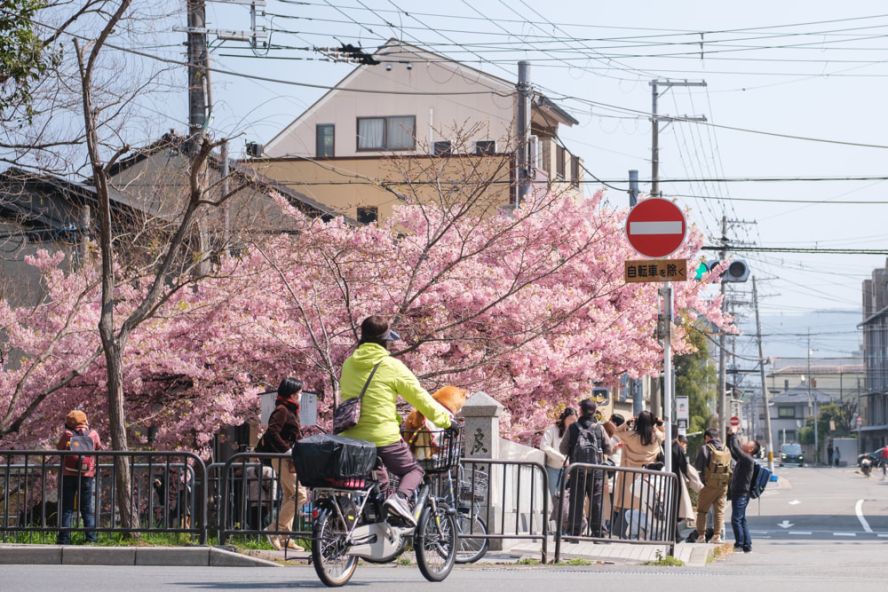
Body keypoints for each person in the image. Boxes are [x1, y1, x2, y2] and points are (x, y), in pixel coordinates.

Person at [339, 315, 452, 526]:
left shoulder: (348, 364)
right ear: (385, 341)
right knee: (413, 470)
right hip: (382, 437)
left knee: (380, 482)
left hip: (351, 438)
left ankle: (379, 525)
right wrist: (445, 420)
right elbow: (420, 398)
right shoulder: (391, 365)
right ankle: (400, 500)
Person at [255, 377, 306, 550]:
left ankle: (284, 538)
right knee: (300, 495)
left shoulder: (290, 410)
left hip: (288, 458)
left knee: (289, 495)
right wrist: (286, 449)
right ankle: (273, 529)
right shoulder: (282, 410)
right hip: (282, 457)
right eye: (299, 392)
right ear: (292, 394)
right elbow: (272, 433)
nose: (301, 395)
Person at [608, 411, 665, 538]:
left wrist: (626, 423)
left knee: (629, 504)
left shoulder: (630, 436)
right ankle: (646, 532)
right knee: (646, 504)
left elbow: (616, 432)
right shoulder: (656, 436)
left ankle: (626, 532)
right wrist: (658, 424)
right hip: (648, 475)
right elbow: (664, 433)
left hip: (631, 474)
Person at [559, 399, 611, 537]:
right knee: (596, 502)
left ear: (581, 411)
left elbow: (562, 449)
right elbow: (609, 448)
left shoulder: (573, 427)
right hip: (596, 470)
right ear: (594, 411)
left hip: (577, 469)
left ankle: (574, 532)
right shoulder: (599, 428)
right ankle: (599, 533)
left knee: (576, 501)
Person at [56, 410, 102, 545]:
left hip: (68, 475)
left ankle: (64, 539)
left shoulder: (67, 434)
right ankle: (91, 538)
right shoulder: (93, 434)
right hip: (87, 475)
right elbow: (98, 448)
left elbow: (59, 448)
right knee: (87, 508)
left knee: (67, 508)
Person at [688, 428, 732, 544]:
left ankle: (701, 536)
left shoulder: (705, 449)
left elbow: (698, 465)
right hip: (722, 485)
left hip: (708, 485)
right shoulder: (726, 449)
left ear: (707, 437)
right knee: (719, 511)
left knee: (702, 511)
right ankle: (717, 536)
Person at [727, 427, 760, 553]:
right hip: (740, 493)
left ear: (750, 449)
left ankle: (739, 544)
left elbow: (736, 449)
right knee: (741, 519)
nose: (745, 444)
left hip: (741, 493)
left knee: (736, 519)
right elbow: (733, 449)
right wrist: (730, 436)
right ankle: (747, 544)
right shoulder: (744, 459)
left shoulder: (747, 459)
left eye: (747, 444)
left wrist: (734, 434)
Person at [540, 407, 576, 499]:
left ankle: (558, 514)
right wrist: (561, 458)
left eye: (575, 420)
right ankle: (555, 513)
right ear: (564, 418)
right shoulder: (552, 430)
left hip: (567, 469)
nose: (573, 422)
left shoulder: (573, 432)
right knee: (554, 497)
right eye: (571, 419)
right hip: (553, 467)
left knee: (563, 498)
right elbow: (544, 446)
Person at [672, 434, 692, 542]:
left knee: (672, 508)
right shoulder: (677, 448)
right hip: (675, 481)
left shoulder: (666, 445)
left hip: (668, 480)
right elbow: (683, 465)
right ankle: (676, 535)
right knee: (674, 508)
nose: (685, 447)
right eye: (684, 444)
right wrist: (688, 476)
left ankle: (675, 534)